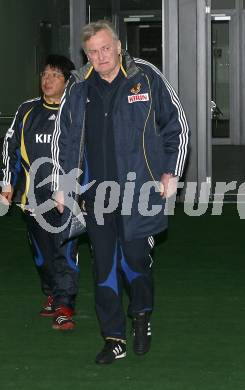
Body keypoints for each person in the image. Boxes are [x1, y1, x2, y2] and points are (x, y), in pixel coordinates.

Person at [52, 20, 189, 363]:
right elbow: (65, 138)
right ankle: (113, 338)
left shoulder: (145, 76)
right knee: (104, 267)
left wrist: (171, 171)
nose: (100, 57)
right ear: (86, 55)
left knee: (135, 261)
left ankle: (141, 315)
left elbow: (177, 125)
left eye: (105, 48)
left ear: (118, 45)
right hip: (96, 196)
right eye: (92, 52)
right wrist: (63, 185)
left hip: (139, 193)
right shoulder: (79, 86)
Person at [1, 54, 79, 330]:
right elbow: (9, 149)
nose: (47, 80)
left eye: (55, 75)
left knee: (65, 253)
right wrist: (6, 183)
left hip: (66, 200)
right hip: (32, 200)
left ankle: (64, 305)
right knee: (42, 256)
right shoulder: (27, 111)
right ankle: (52, 292)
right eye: (45, 74)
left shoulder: (75, 112)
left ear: (67, 81)